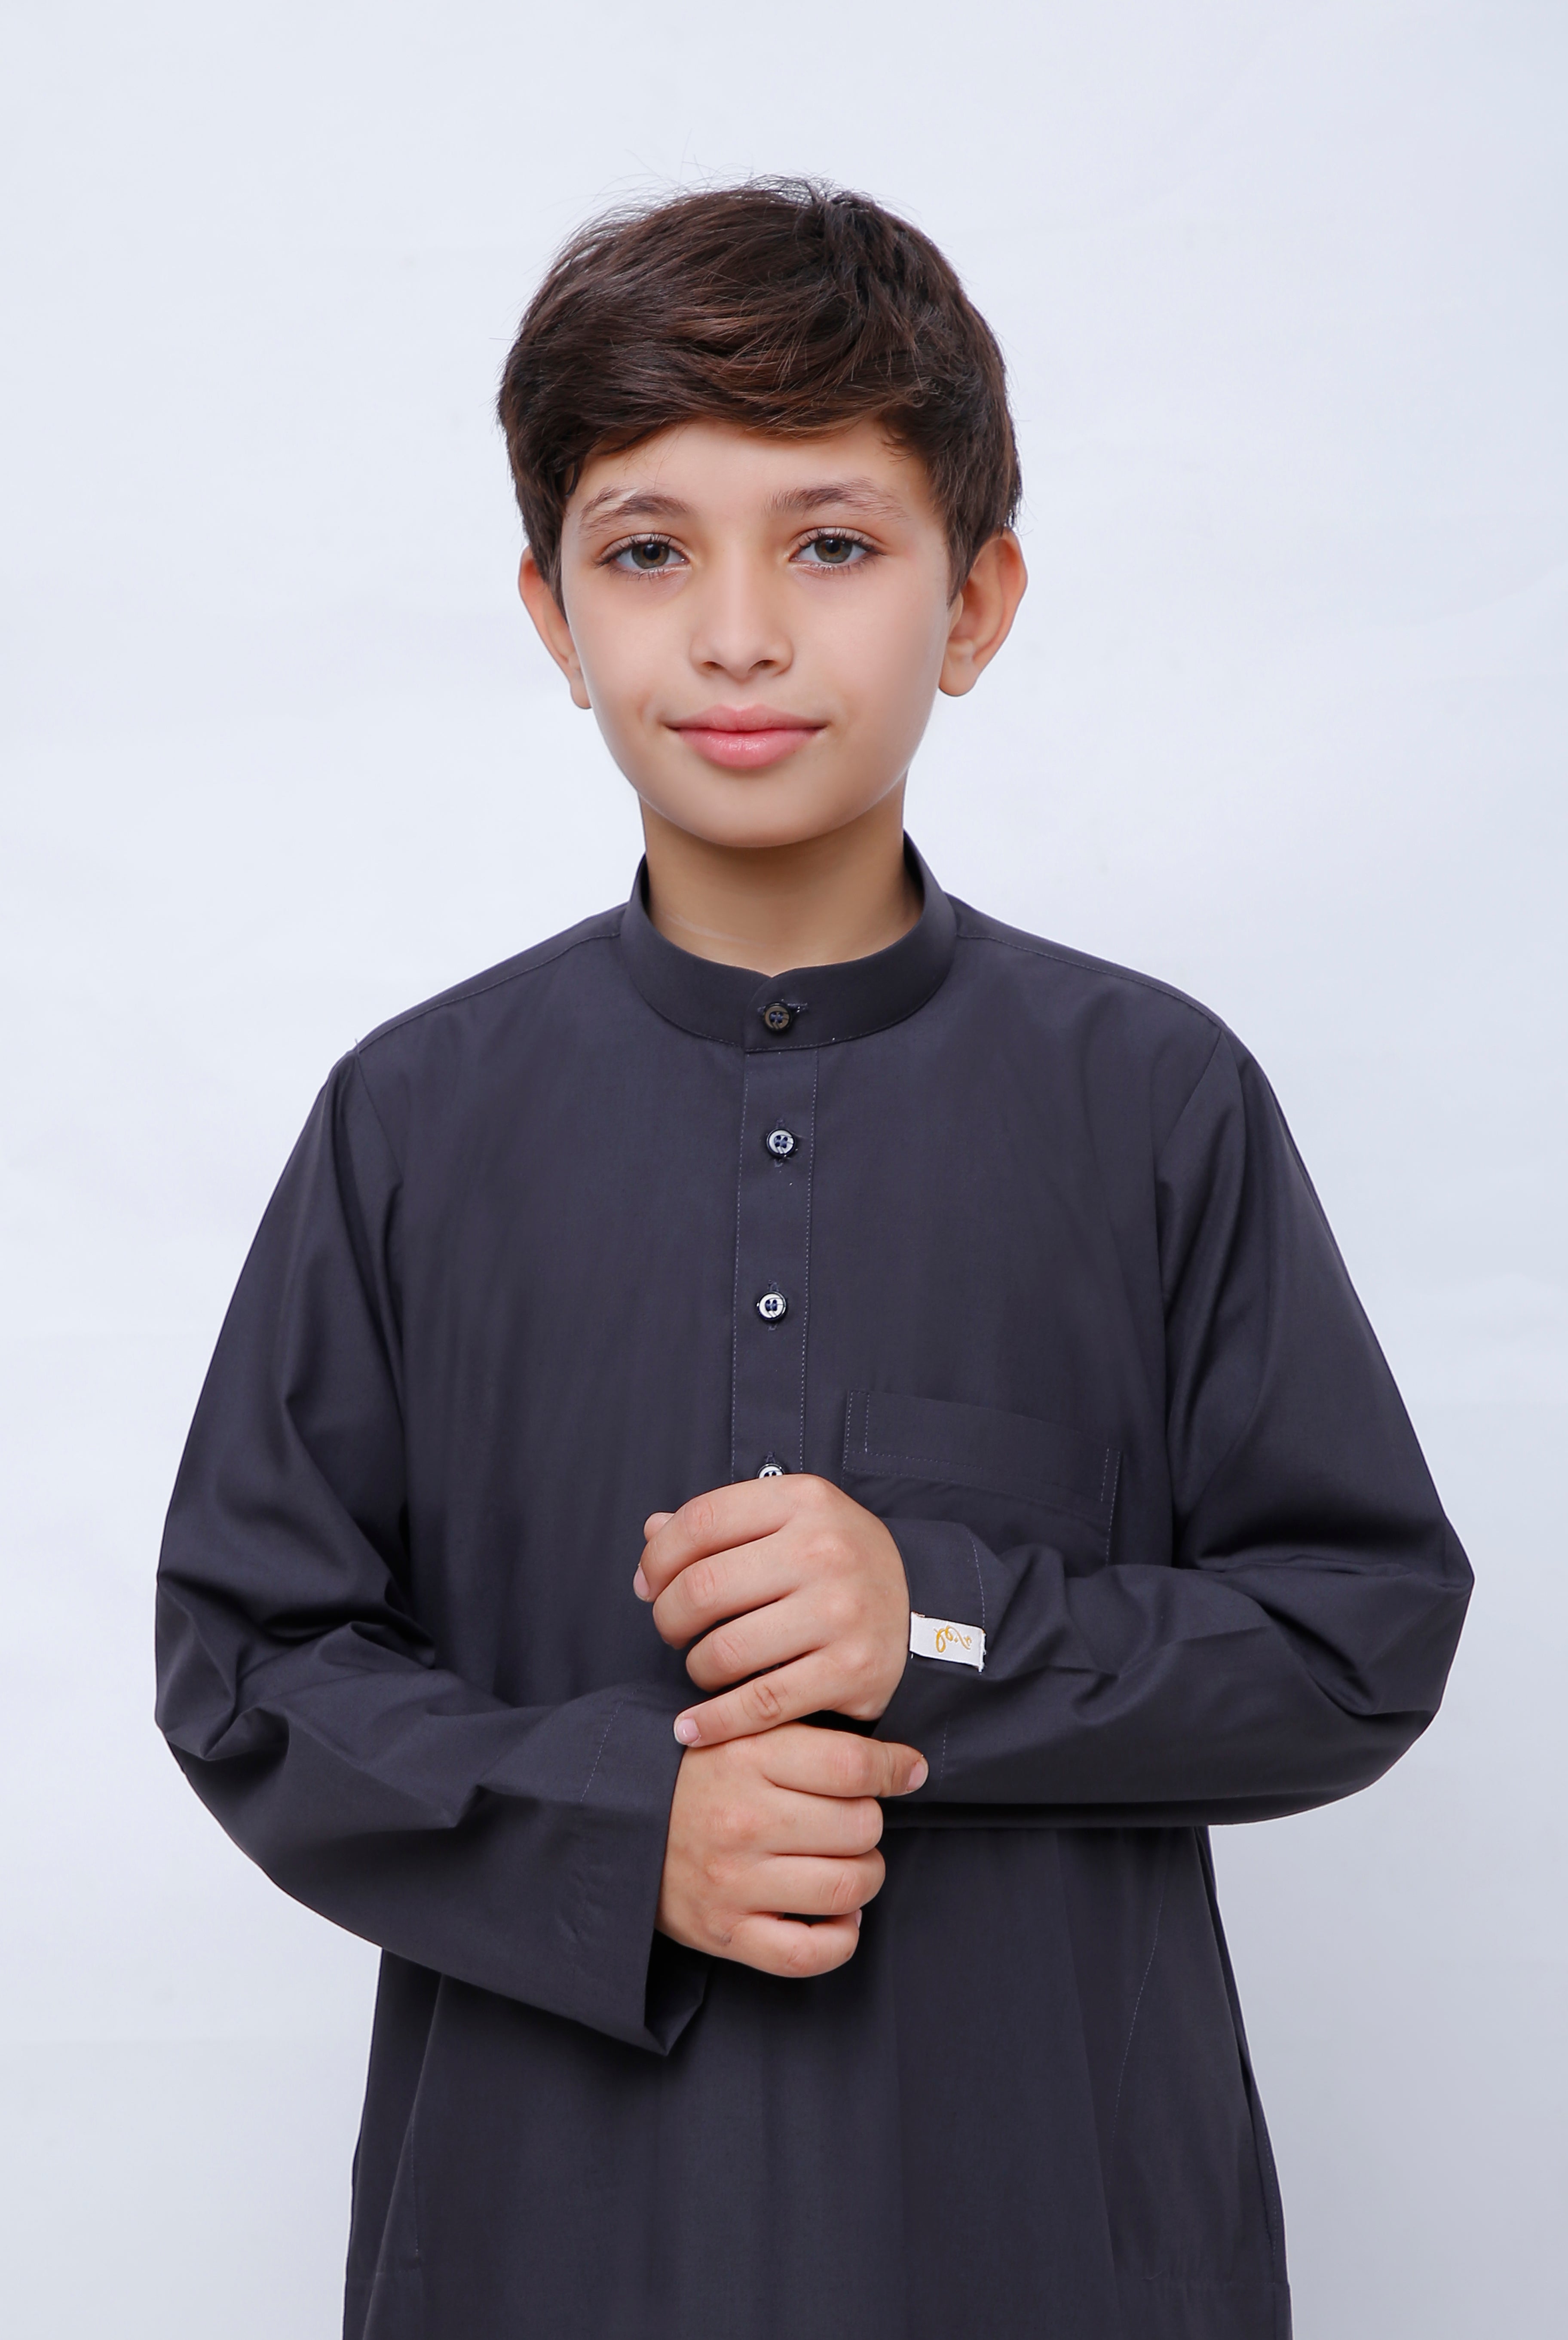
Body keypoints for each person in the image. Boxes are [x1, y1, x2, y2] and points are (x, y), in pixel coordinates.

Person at [154, 180, 1471, 2340]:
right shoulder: (415, 1117)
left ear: (979, 599)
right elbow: (249, 1658)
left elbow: (1359, 1631)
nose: (741, 633)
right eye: (648, 550)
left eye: (833, 543)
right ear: (551, 610)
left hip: (1054, 2256)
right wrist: (623, 1828)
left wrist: (935, 1617)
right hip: (546, 2255)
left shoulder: (1154, 1098)